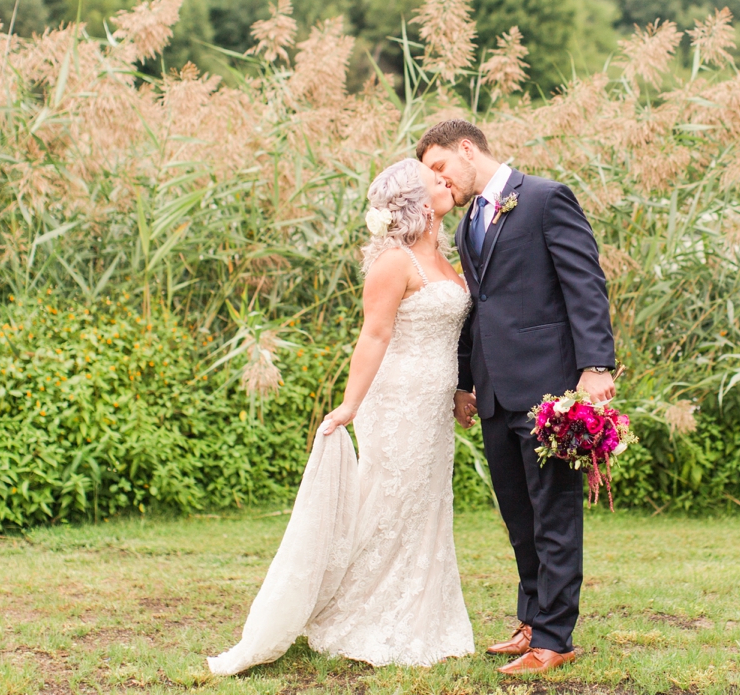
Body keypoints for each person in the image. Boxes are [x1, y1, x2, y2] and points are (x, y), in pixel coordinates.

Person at [206, 158, 475, 674]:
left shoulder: (444, 257)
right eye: (432, 179)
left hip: (433, 405)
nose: (444, 180)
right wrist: (350, 406)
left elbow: (456, 336)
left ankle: (422, 616)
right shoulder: (393, 263)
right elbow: (373, 335)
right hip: (395, 401)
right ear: (414, 203)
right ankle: (355, 613)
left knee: (425, 505)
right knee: (388, 502)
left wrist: (463, 389)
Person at [418, 119, 616, 677]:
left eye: (440, 169)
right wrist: (463, 380)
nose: (439, 182)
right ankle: (531, 620)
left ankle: (556, 638)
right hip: (495, 394)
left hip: (550, 386)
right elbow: (472, 310)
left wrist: (595, 364)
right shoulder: (466, 227)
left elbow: (585, 283)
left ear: (466, 149)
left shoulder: (546, 199)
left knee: (553, 512)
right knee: (518, 515)